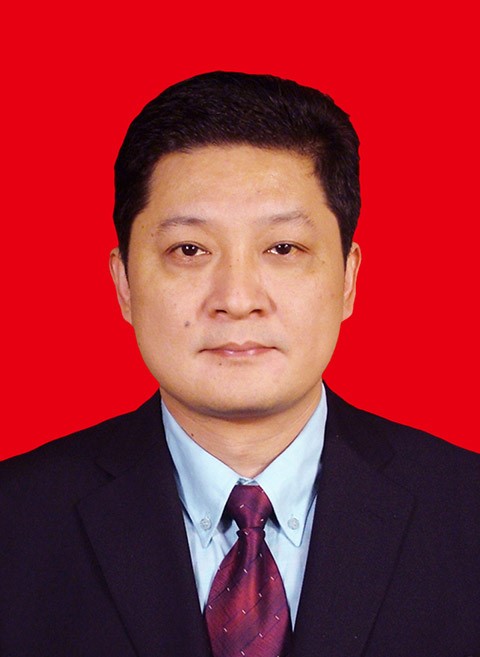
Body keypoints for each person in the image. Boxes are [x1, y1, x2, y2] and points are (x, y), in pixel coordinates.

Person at [1, 72, 479, 657]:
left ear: (348, 278)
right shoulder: (15, 523)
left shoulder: (466, 511)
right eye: (189, 250)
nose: (237, 298)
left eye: (282, 248)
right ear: (123, 283)